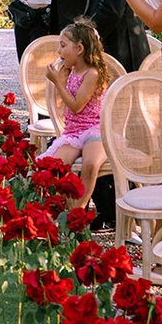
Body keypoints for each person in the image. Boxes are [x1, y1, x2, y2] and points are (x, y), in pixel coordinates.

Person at [42, 18, 109, 210]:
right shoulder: (70, 71)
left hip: (94, 130)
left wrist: (57, 82)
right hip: (73, 133)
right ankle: (63, 209)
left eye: (63, 46)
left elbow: (76, 106)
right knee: (55, 165)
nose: (59, 51)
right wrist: (60, 78)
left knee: (90, 164)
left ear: (79, 49)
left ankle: (78, 211)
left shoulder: (92, 74)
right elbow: (64, 100)